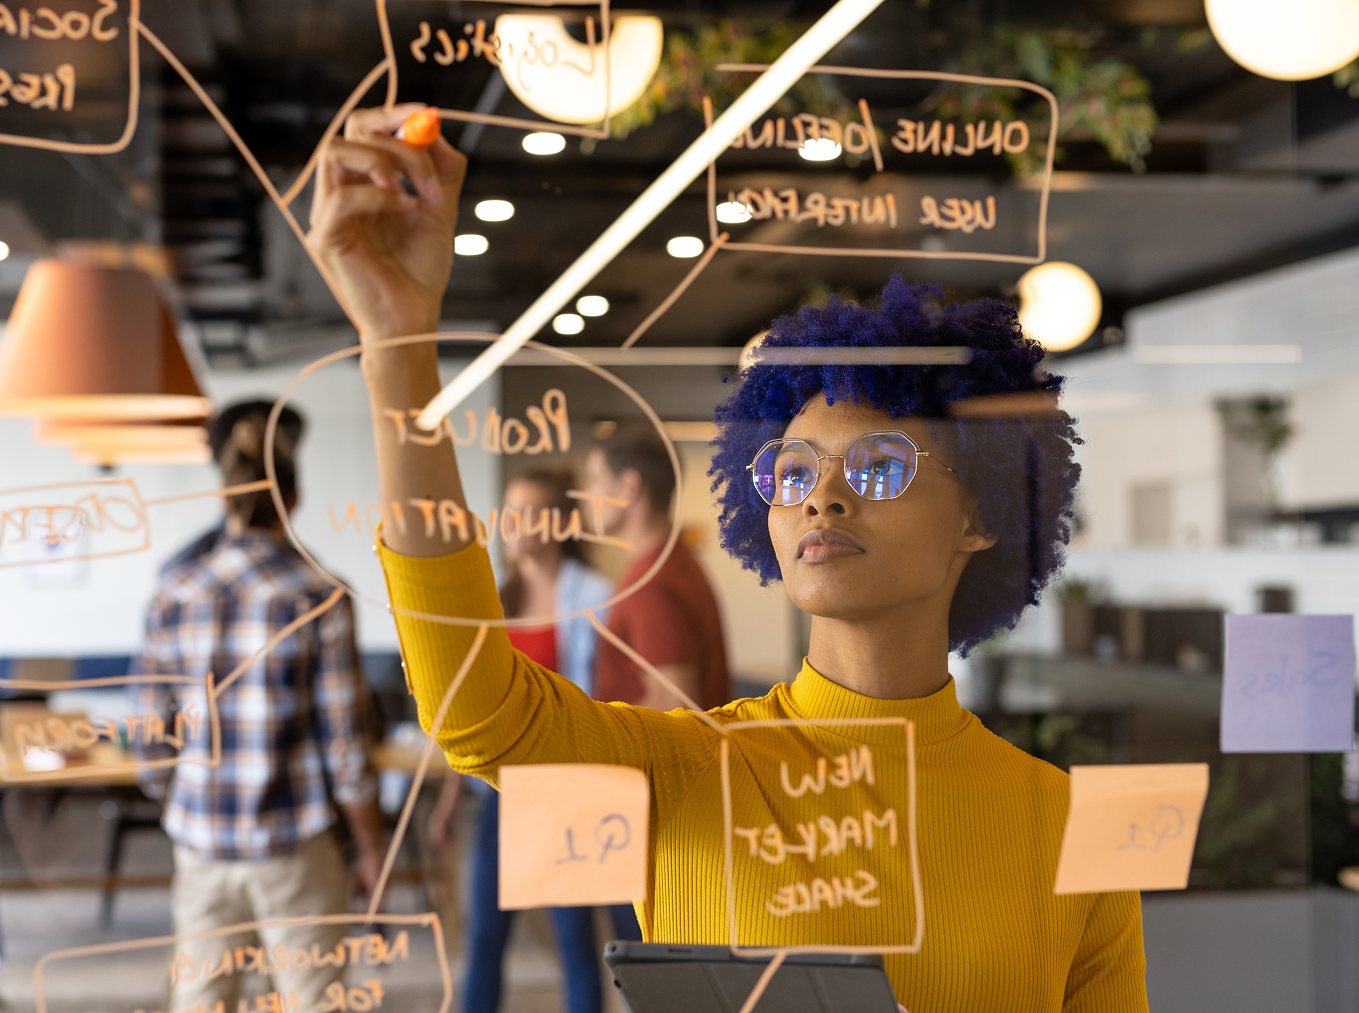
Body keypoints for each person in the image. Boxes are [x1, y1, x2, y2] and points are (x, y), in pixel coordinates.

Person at [306, 103, 1145, 1011]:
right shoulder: (684, 770)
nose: (821, 497)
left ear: (978, 514)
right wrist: (397, 349)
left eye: (878, 464)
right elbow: (473, 709)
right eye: (792, 470)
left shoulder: (1066, 826)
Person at [131, 401, 385, 1013]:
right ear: (294, 498)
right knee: (312, 1002)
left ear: (224, 496)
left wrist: (184, 801)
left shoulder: (172, 594)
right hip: (295, 847)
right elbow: (347, 752)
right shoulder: (320, 596)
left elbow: (149, 742)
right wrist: (372, 848)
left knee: (201, 1002)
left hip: (200, 845)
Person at [428, 469, 619, 1013]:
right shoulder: (492, 598)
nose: (512, 523)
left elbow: (608, 701)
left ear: (559, 523)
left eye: (528, 512)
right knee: (485, 940)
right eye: (508, 511)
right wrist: (450, 798)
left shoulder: (595, 597)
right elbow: (473, 713)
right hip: (501, 795)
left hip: (566, 797)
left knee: (574, 944)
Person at [584, 423, 731, 713]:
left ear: (628, 487)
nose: (586, 495)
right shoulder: (673, 561)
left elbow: (673, 708)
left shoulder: (652, 582)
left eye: (595, 480)